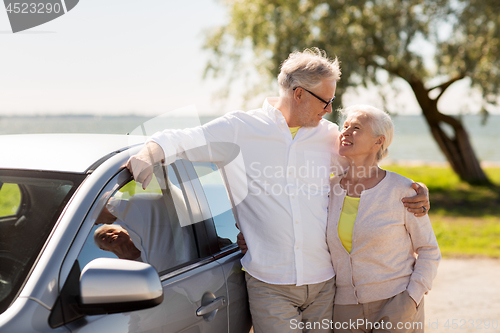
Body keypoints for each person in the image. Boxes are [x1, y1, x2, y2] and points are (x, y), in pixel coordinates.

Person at [126, 48, 430, 333]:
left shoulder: (329, 137)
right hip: (270, 283)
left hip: (324, 283)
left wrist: (416, 190)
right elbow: (182, 139)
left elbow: (366, 171)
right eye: (325, 101)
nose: (330, 109)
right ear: (299, 94)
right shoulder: (240, 130)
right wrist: (149, 153)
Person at [327, 105, 440, 333]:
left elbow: (429, 249)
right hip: (344, 311)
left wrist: (412, 297)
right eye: (345, 126)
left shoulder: (404, 190)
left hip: (397, 303)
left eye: (356, 128)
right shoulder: (328, 190)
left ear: (378, 141)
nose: (346, 132)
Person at [94, 191, 197, 273]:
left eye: (90, 220)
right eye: (102, 237)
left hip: (194, 271)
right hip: (183, 282)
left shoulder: (137, 204)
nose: (95, 224)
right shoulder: (126, 221)